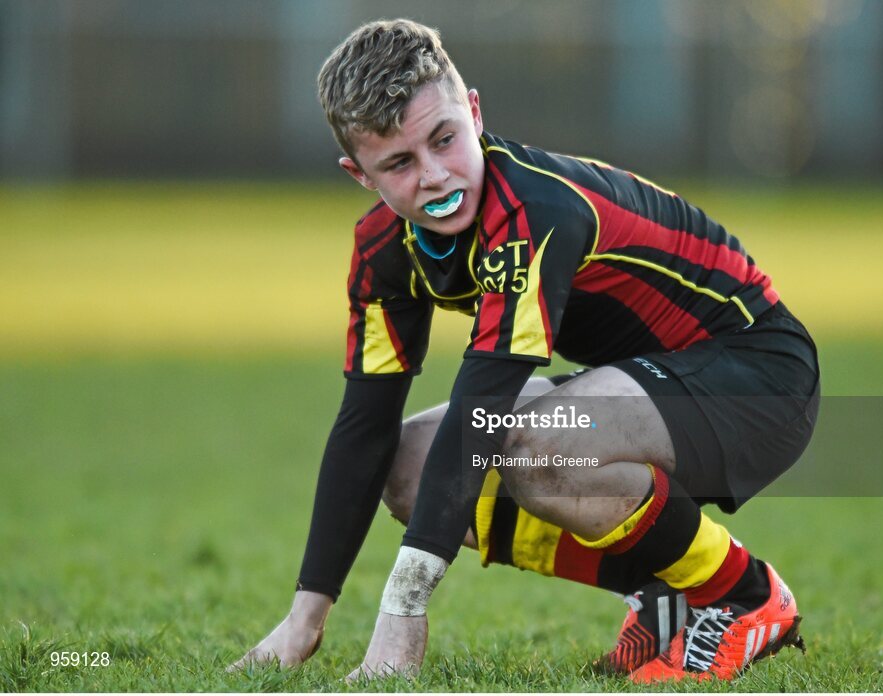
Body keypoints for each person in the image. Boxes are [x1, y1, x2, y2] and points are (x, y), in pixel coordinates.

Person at [231, 18, 820, 683]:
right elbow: (363, 428)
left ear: (475, 112)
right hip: (644, 385)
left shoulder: (534, 211)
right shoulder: (381, 252)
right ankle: (665, 593)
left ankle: (742, 595)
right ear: (360, 175)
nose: (433, 175)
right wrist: (305, 618)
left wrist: (403, 608)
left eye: (444, 139)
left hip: (759, 375)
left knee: (538, 445)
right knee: (410, 466)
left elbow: (483, 408)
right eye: (399, 162)